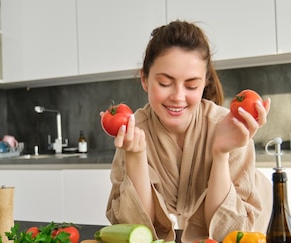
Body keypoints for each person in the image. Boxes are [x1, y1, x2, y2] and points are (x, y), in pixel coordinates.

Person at [105, 20, 272, 242]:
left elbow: (228, 234)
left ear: (204, 83)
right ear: (144, 79)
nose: (178, 96)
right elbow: (137, 232)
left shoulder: (229, 127)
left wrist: (221, 154)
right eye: (165, 83)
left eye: (191, 85)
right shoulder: (133, 131)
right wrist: (135, 156)